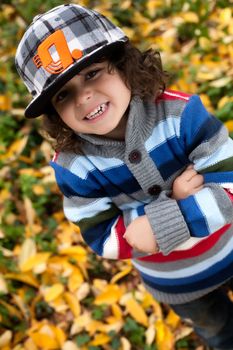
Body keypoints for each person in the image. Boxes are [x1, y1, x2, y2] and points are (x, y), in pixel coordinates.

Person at [15, 4, 233, 349]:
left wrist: (159, 221)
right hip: (180, 283)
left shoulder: (181, 114)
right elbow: (101, 233)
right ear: (54, 113)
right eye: (63, 94)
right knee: (221, 334)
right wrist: (172, 205)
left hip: (229, 245)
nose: (83, 96)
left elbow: (229, 181)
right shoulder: (74, 167)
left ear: (123, 64)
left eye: (92, 73)